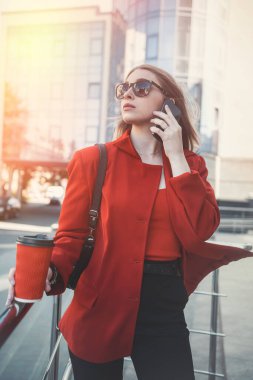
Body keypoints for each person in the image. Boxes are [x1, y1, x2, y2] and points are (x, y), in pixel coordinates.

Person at [6, 64, 252, 380]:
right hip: (100, 302)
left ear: (170, 103)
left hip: (164, 306)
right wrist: (48, 270)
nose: (128, 94)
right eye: (124, 88)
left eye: (143, 87)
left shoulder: (190, 164)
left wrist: (176, 155)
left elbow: (203, 227)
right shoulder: (93, 159)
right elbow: (72, 235)